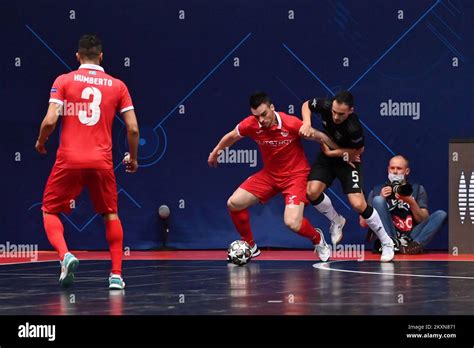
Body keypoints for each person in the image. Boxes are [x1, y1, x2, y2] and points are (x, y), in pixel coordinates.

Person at [35, 34, 139, 289]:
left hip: (69, 159)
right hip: (101, 162)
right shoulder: (118, 86)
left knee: (49, 210)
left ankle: (65, 255)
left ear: (78, 56)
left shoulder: (64, 81)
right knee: (111, 214)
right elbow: (133, 129)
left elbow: (50, 121)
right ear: (102, 56)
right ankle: (116, 275)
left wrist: (41, 141)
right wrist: (133, 158)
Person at [208, 92, 332, 261]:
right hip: (270, 176)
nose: (261, 120)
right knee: (234, 203)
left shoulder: (291, 123)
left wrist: (339, 151)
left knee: (292, 223)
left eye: (264, 114)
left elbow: (320, 136)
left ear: (272, 108)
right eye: (256, 116)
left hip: (296, 176)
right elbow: (231, 136)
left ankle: (317, 238)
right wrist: (216, 152)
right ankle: (250, 245)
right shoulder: (251, 124)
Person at [299, 91, 395, 262]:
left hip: (347, 160)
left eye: (340, 114)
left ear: (350, 110)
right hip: (327, 156)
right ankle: (336, 220)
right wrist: (307, 123)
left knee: (358, 203)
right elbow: (307, 103)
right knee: (312, 192)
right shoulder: (326, 106)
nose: (335, 116)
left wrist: (332, 153)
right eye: (334, 112)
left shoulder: (354, 127)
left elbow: (358, 151)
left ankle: (387, 242)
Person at [362, 155, 447, 254]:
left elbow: (423, 220)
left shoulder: (417, 189)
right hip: (389, 236)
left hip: (410, 237)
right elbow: (364, 223)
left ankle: (414, 246)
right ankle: (390, 244)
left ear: (407, 171)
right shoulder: (377, 190)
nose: (394, 171)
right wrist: (381, 198)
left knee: (441, 214)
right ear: (388, 169)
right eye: (392, 168)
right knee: (378, 200)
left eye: (399, 168)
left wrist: (410, 201)